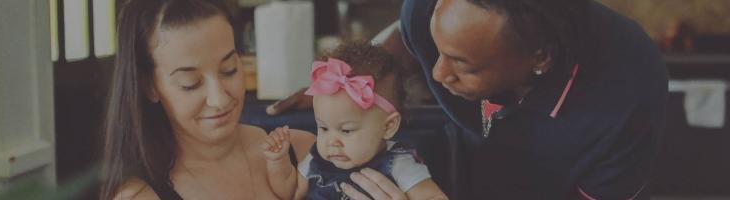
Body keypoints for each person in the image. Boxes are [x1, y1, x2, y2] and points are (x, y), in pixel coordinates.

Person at [267, 0, 668, 199]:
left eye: (463, 63)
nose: (438, 75)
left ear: (540, 58)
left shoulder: (625, 99)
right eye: (437, 48)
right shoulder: (429, 11)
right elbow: (404, 46)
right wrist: (349, 86)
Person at [98, 0, 315, 199]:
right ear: (150, 87)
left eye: (229, 70)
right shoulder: (142, 196)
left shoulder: (303, 151)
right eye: (190, 83)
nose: (219, 99)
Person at [260, 41, 448, 200]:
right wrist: (278, 162)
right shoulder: (314, 160)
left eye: (347, 130)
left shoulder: (400, 164)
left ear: (388, 126)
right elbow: (289, 192)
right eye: (323, 128)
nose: (331, 141)